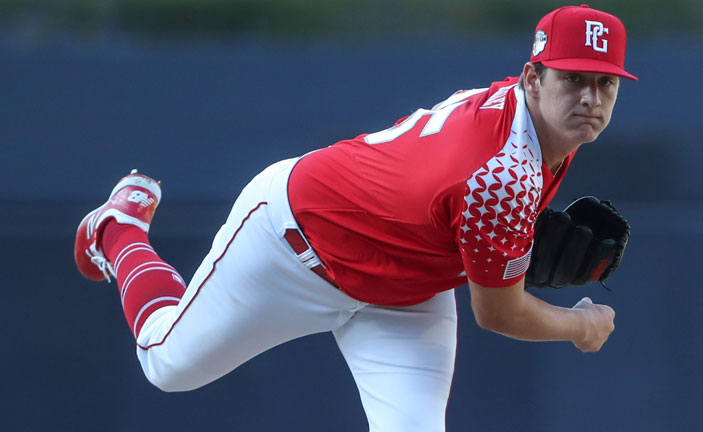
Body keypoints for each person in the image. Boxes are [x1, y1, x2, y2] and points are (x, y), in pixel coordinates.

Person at [74, 5, 637, 431]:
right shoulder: (505, 174)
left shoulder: (531, 124)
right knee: (167, 365)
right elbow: (498, 313)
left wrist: (502, 248)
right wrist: (581, 325)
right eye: (573, 78)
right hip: (294, 246)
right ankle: (117, 230)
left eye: (604, 82)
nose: (590, 98)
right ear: (532, 78)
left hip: (405, 290)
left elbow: (464, 192)